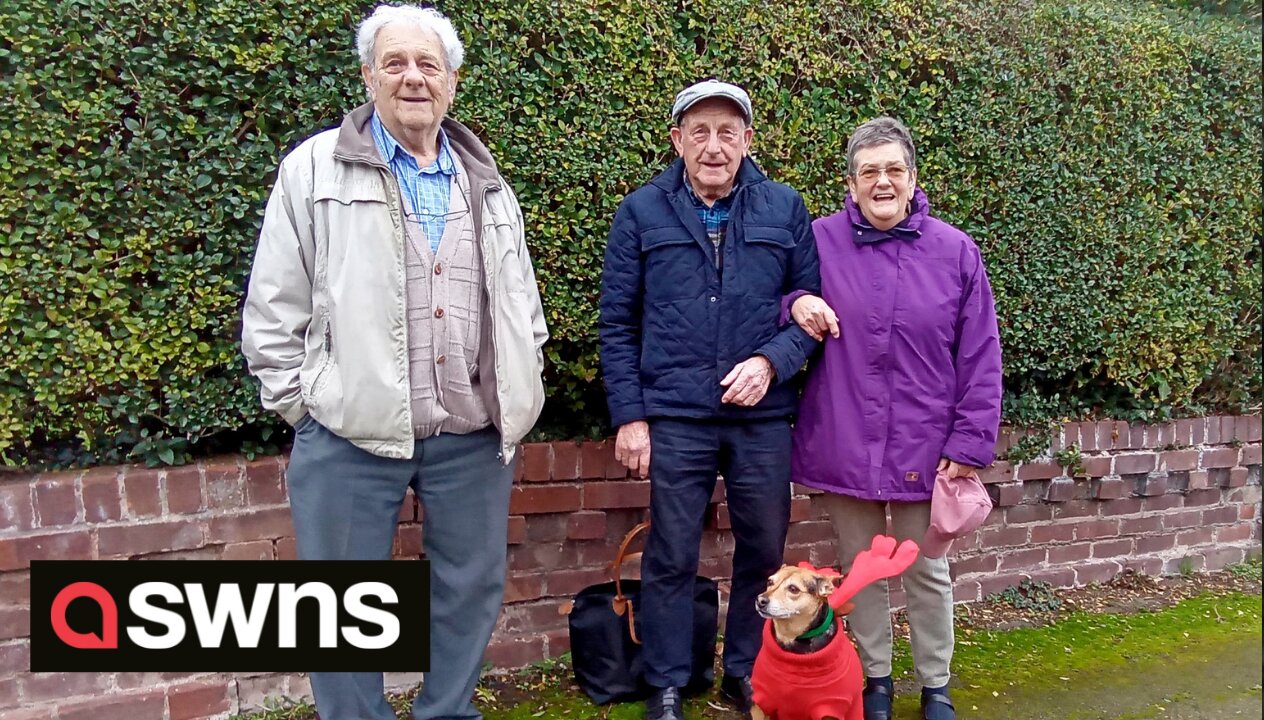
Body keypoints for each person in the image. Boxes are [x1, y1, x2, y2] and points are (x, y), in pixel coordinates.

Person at [240, 5, 547, 719]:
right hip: (349, 434)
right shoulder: (312, 167)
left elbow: (521, 302)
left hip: (471, 435)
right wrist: (306, 399)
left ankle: (446, 712)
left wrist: (520, 379)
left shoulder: (488, 182)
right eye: (395, 63)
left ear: (453, 80)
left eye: (428, 64)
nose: (413, 77)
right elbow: (273, 304)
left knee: (469, 589)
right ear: (368, 76)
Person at [599, 79, 821, 720]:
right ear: (678, 140)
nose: (714, 145)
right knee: (669, 552)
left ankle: (746, 674)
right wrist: (631, 416)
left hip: (761, 417)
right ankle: (667, 682)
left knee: (764, 550)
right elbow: (617, 323)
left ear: (748, 140)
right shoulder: (641, 212)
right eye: (700, 131)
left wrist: (770, 363)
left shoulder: (784, 208)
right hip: (674, 416)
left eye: (728, 131)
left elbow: (808, 314)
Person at [785, 117, 1002, 720]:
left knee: (926, 570)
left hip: (925, 445)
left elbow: (980, 352)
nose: (882, 181)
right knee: (859, 572)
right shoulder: (818, 241)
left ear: (912, 179)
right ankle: (875, 679)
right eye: (869, 171)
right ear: (851, 184)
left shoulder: (955, 250)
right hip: (844, 434)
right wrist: (795, 300)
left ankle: (936, 685)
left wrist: (970, 440)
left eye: (893, 169)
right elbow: (776, 297)